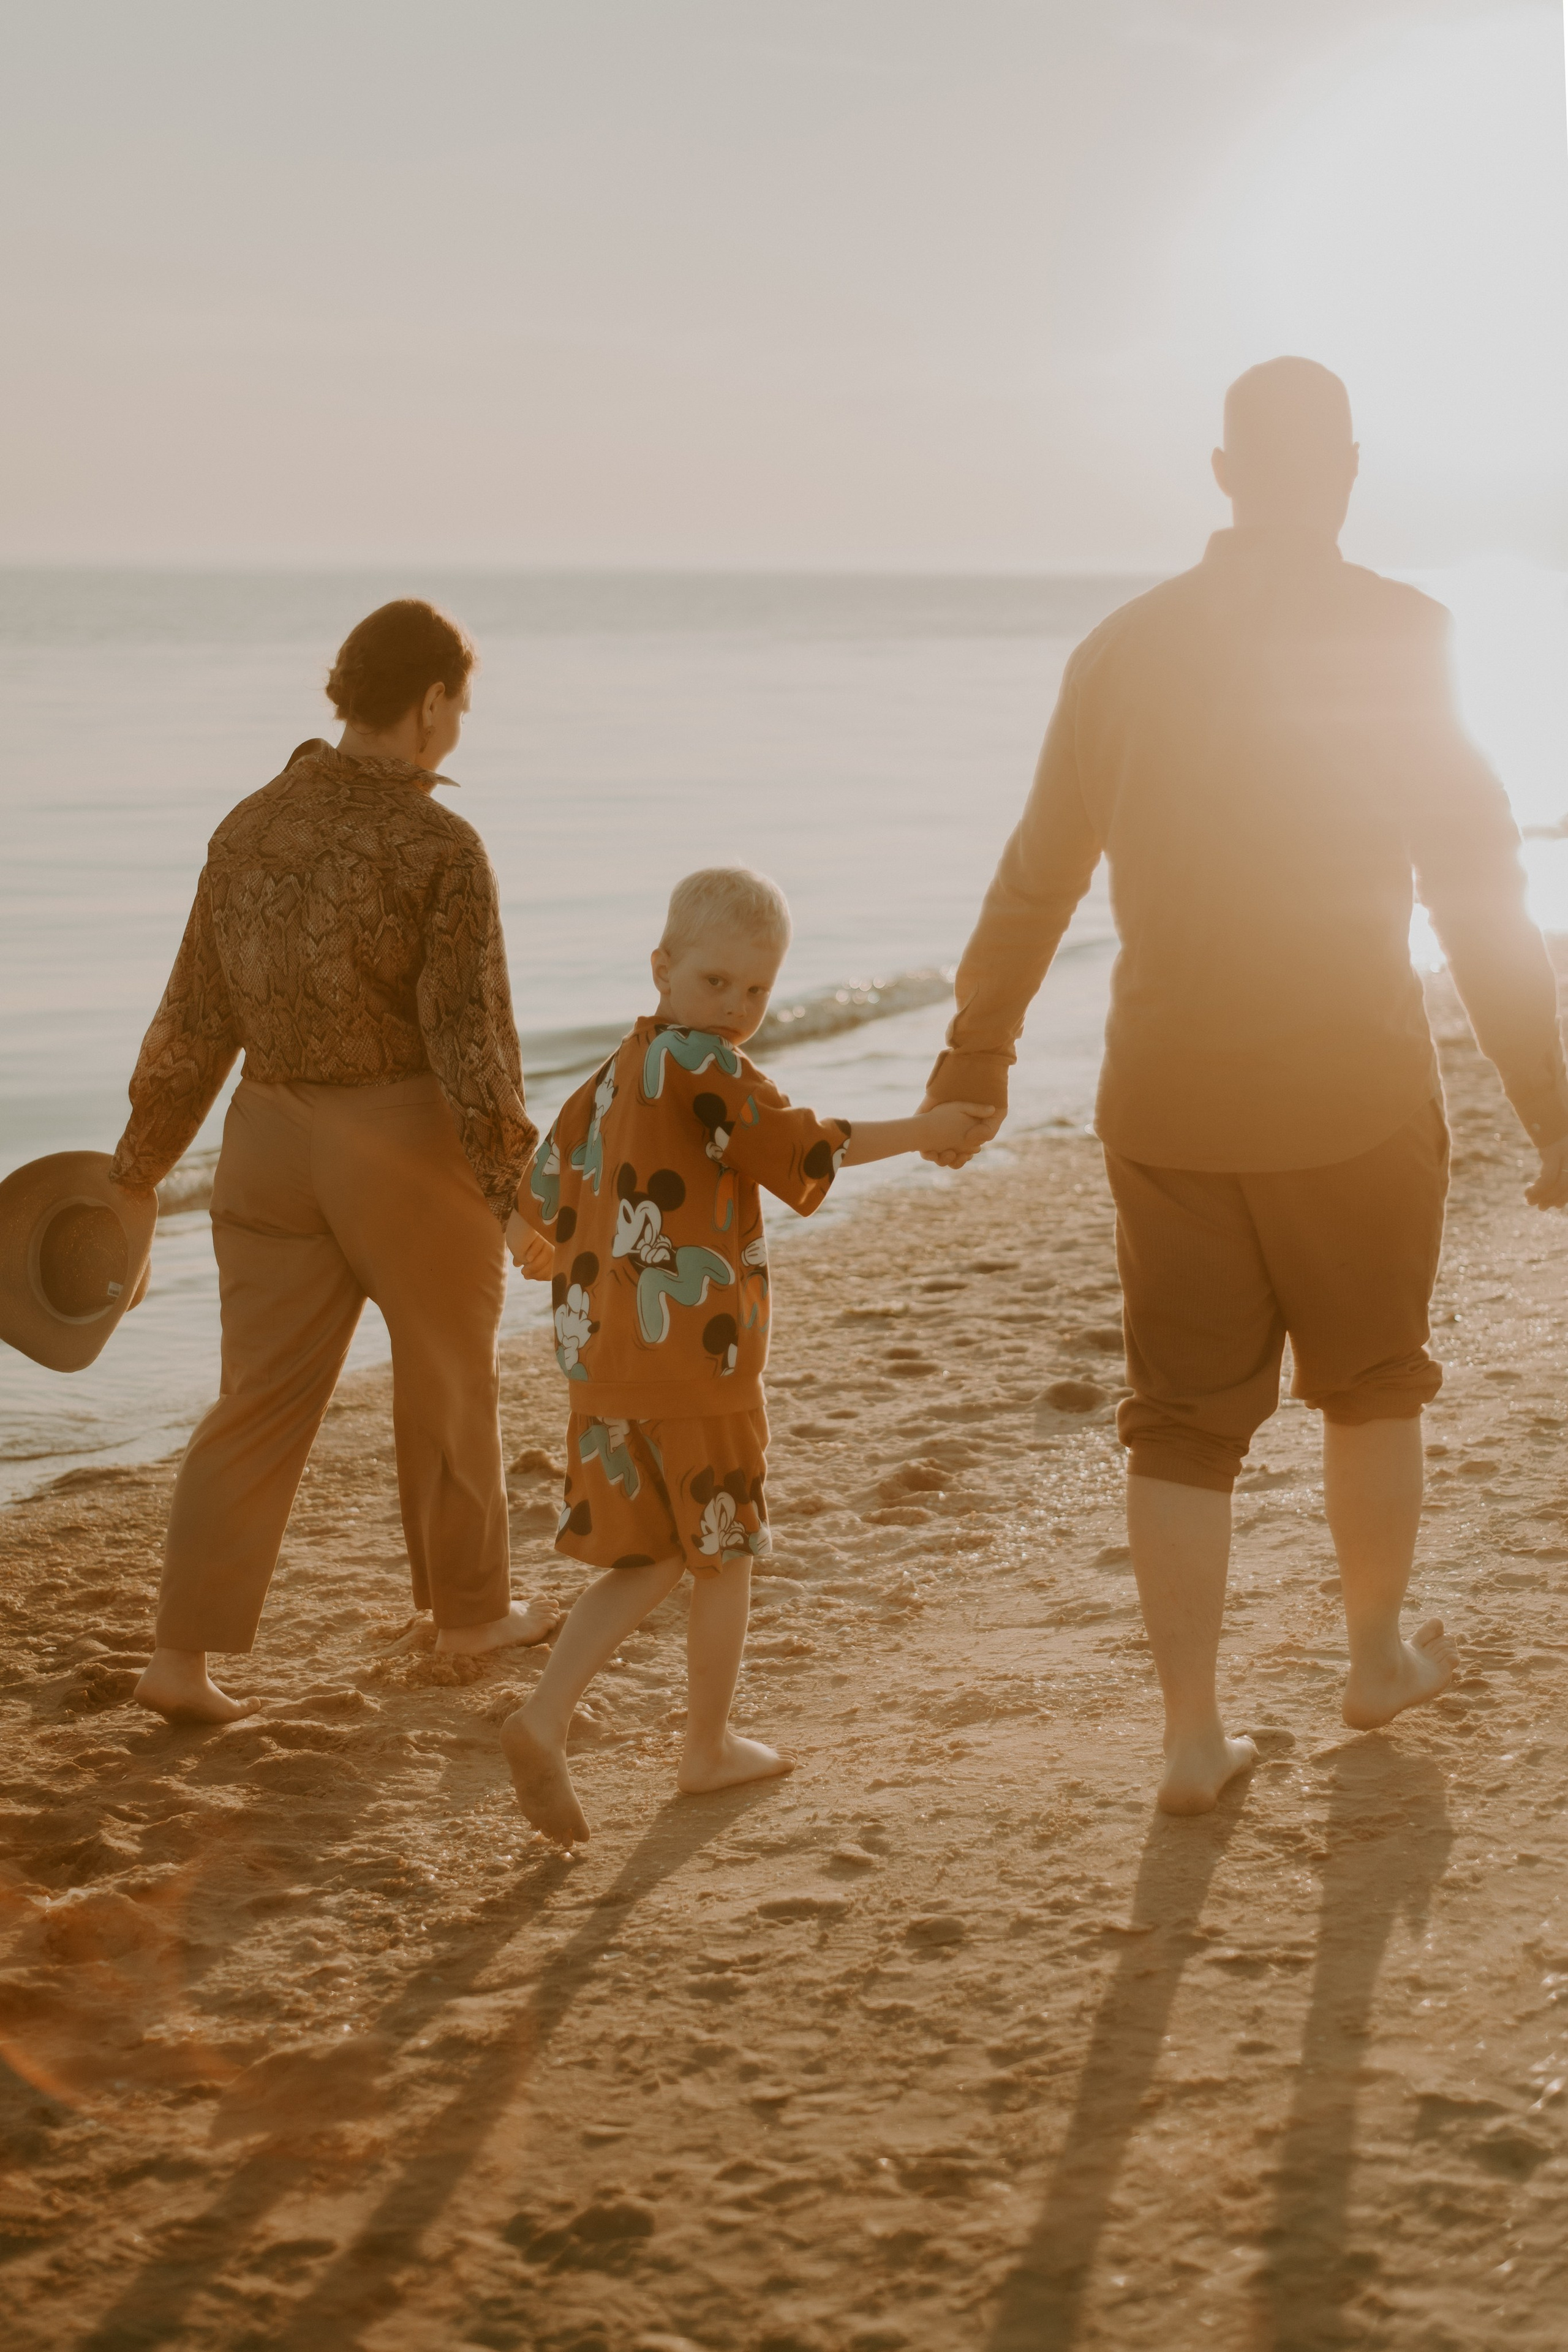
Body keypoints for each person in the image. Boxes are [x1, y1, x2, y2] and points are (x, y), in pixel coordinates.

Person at [924, 358, 1568, 1815]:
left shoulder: (1118, 649)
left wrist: (976, 1056)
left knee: (1182, 1422)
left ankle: (1190, 1738)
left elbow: (1035, 876)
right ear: (1344, 467)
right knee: (1371, 1386)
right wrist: (1547, 1101)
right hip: (1347, 1093)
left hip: (1162, 1101)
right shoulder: (1401, 635)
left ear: (1221, 473)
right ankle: (1374, 1655)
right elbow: (1477, 890)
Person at [110, 598, 557, 1724]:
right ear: (430, 702)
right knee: (449, 1378)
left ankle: (181, 1660)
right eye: (460, 704)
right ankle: (467, 1614)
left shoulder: (248, 825)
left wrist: (134, 1175)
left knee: (256, 1401)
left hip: (264, 1140)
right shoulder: (441, 846)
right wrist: (518, 1193)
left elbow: (192, 1020)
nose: (459, 726)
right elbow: (468, 1040)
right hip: (400, 1143)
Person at [500, 865, 997, 1844]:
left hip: (602, 1367)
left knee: (647, 1558)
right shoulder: (710, 1068)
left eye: (758, 991)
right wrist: (930, 1130)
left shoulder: (608, 1078)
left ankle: (544, 1716)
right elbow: (807, 1149)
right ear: (663, 968)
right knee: (723, 1555)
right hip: (699, 1366)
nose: (736, 1009)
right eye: (716, 983)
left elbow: (532, 1216)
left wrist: (547, 1243)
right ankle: (708, 1746)